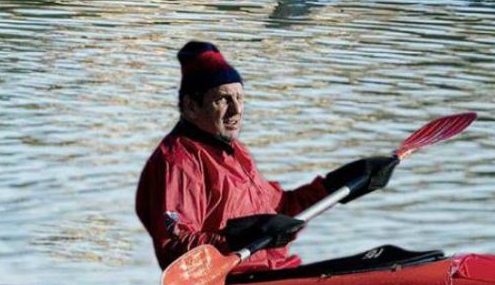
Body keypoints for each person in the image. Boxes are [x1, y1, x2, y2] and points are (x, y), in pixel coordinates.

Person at [136, 41, 398, 272]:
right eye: (223, 100)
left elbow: (279, 212)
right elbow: (175, 247)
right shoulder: (178, 162)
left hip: (276, 271)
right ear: (192, 107)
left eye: (240, 98)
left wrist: (337, 185)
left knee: (394, 259)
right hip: (237, 283)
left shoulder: (236, 152)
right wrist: (238, 237)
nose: (236, 110)